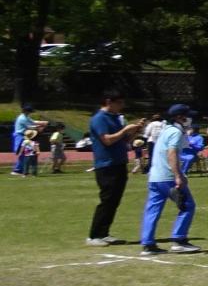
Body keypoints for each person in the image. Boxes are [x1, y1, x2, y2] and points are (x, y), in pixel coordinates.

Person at [138, 103, 200, 255]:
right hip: (168, 177)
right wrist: (178, 175)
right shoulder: (175, 132)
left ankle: (148, 244)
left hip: (155, 177)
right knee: (187, 205)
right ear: (180, 117)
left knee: (152, 210)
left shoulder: (166, 130)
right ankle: (179, 240)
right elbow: (171, 153)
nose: (189, 119)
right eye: (187, 116)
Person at [83, 91, 143, 245]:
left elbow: (124, 141)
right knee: (107, 200)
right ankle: (94, 235)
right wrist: (124, 130)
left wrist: (135, 130)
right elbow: (107, 140)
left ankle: (104, 233)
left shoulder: (116, 118)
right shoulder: (99, 119)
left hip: (119, 163)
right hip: (106, 165)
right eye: (120, 103)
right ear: (109, 102)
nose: (122, 106)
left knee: (114, 201)